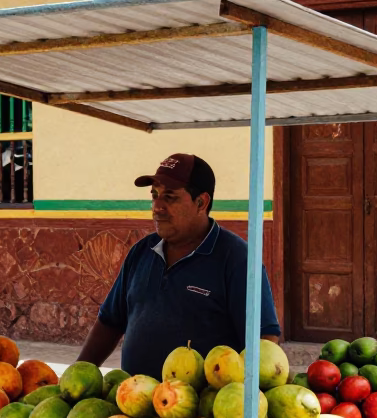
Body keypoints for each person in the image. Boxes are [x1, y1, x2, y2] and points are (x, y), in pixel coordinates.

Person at [76, 153, 281, 379]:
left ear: (201, 202)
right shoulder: (142, 251)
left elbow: (265, 341)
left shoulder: (237, 259)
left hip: (200, 410)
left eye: (170, 197)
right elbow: (110, 322)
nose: (157, 207)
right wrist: (77, 374)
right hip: (134, 404)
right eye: (154, 195)